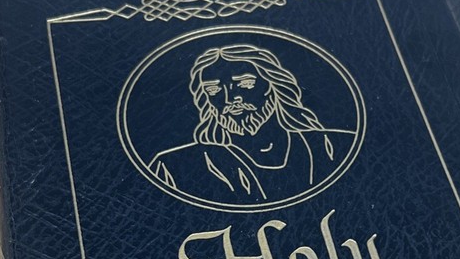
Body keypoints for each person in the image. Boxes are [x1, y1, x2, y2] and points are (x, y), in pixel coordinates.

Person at [149, 43, 354, 204]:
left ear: (273, 85)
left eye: (245, 84)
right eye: (213, 90)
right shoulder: (173, 168)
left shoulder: (338, 147)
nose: (230, 98)